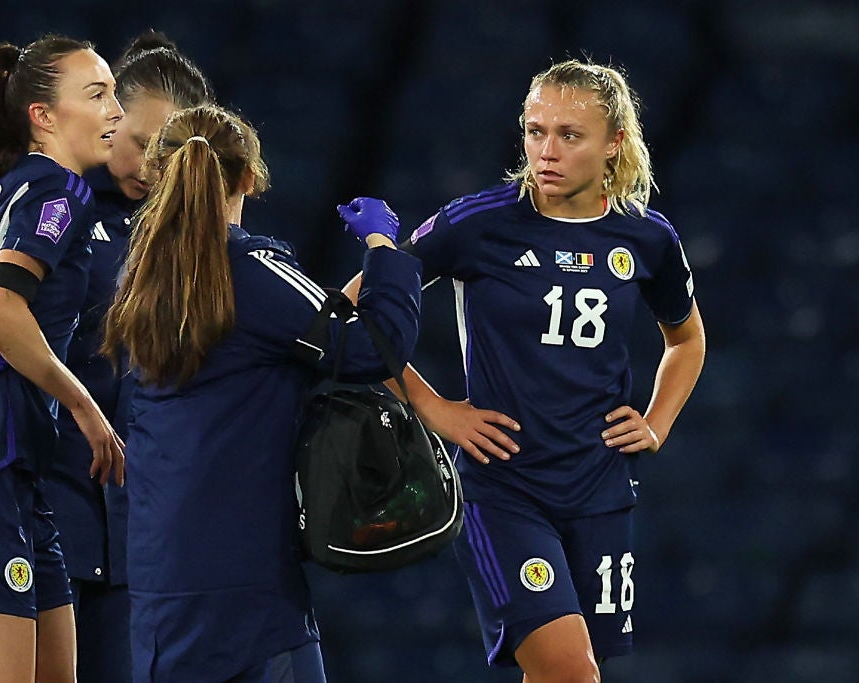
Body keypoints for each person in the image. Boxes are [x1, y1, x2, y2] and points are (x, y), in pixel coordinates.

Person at [342, 59, 706, 682]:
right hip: (504, 490)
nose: (547, 150)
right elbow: (357, 313)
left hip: (599, 490)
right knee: (572, 672)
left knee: (556, 674)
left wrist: (656, 421)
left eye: (570, 134)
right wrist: (436, 409)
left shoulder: (647, 238)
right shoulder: (476, 223)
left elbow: (687, 338)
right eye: (536, 131)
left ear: (614, 142)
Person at [0, 30, 214, 683]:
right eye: (102, 100)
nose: (121, 123)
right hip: (1, 460)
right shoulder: (54, 193)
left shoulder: (174, 231)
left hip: (67, 495)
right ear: (50, 113)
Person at [100, 103, 423, 682]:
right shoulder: (253, 266)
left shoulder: (137, 275)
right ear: (249, 177)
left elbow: (278, 336)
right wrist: (382, 248)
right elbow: (375, 349)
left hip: (158, 580)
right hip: (248, 577)